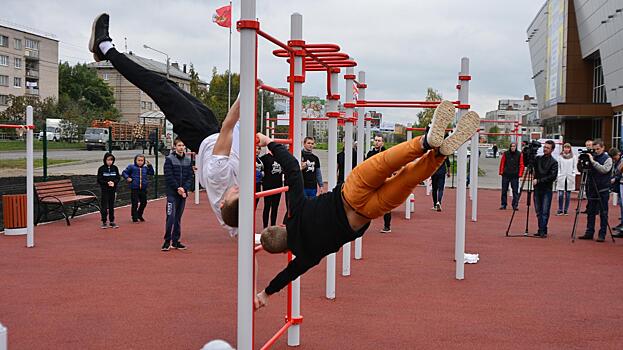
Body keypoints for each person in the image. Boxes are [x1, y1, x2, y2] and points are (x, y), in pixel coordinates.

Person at [254, 101, 480, 308]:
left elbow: (288, 274)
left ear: (285, 250)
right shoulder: (294, 214)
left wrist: (266, 293)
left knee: (407, 179)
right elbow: (293, 170)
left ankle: (439, 153)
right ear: (282, 227)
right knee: (386, 162)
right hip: (350, 193)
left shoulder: (306, 256)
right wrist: (270, 143)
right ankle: (425, 142)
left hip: (366, 212)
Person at [89, 13, 240, 236]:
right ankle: (103, 51)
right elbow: (239, 232)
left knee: (156, 86)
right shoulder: (234, 217)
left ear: (222, 203)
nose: (237, 190)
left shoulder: (219, 178)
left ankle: (104, 47)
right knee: (165, 84)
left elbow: (229, 125)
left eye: (234, 194)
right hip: (209, 127)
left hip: (199, 131)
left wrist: (246, 92)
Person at [162, 137, 193, 251]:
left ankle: (175, 241)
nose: (181, 147)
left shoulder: (188, 160)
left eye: (183, 145)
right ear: (175, 147)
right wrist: (177, 188)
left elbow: (190, 176)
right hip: (172, 194)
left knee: (178, 218)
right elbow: (168, 176)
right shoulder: (169, 159)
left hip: (182, 194)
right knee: (170, 217)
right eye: (179, 145)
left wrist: (184, 189)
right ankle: (166, 241)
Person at [578, 139, 612, 242]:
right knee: (591, 211)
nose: (596, 151)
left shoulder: (608, 159)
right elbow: (582, 170)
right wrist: (581, 162)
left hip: (603, 189)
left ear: (603, 148)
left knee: (603, 212)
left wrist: (593, 161)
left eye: (598, 149)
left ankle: (602, 234)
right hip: (591, 187)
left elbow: (604, 170)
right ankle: (589, 232)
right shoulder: (591, 156)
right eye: (594, 149)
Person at [366, 134, 393, 233]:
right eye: (376, 140)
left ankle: (387, 226)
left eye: (379, 140)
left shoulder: (386, 153)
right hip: (373, 181)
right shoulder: (370, 153)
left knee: (386, 204)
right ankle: (364, 224)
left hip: (384, 180)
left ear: (383, 142)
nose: (377, 142)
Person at [532, 140, 558, 238]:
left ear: (552, 150)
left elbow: (552, 177)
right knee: (538, 211)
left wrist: (539, 180)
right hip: (537, 188)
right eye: (544, 147)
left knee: (545, 211)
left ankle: (542, 229)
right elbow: (529, 163)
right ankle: (541, 228)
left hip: (546, 189)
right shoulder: (538, 159)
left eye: (547, 148)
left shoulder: (554, 162)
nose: (545, 149)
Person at [122, 154, 155, 223]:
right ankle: (134, 217)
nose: (140, 162)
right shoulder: (131, 167)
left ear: (144, 161)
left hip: (143, 188)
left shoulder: (145, 168)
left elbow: (151, 173)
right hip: (134, 188)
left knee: (144, 202)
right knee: (135, 203)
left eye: (142, 161)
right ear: (135, 160)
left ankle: (139, 214)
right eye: (138, 160)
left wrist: (150, 166)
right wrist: (127, 178)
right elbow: (124, 172)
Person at [260, 148, 283, 228]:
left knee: (275, 208)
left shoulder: (281, 158)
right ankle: (265, 227)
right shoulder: (264, 158)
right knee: (267, 207)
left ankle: (273, 226)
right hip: (268, 186)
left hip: (278, 186)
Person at [97, 152, 121, 229]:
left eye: (111, 160)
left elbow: (118, 178)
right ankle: (104, 221)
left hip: (112, 190)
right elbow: (99, 180)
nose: (110, 161)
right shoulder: (101, 169)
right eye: (108, 160)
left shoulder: (115, 168)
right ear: (105, 160)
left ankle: (112, 221)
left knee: (111, 206)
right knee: (104, 206)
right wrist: (107, 183)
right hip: (105, 190)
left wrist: (114, 183)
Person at [498, 143, 524, 210]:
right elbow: (502, 163)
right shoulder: (506, 153)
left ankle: (515, 205)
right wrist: (501, 171)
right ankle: (503, 204)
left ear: (516, 147)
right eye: (512, 146)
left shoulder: (519, 154)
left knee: (515, 191)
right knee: (504, 190)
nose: (513, 148)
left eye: (514, 146)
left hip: (515, 176)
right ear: (510, 147)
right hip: (506, 175)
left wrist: (520, 174)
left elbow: (521, 164)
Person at [556, 143, 577, 215]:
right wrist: (559, 174)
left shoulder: (573, 157)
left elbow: (574, 166)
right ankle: (560, 209)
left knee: (568, 195)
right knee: (560, 194)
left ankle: (566, 209)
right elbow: (558, 166)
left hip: (570, 177)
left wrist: (573, 174)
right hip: (561, 176)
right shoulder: (560, 156)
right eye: (565, 147)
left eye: (568, 148)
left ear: (570, 149)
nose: (566, 149)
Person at [609, 148, 623, 232]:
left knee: (622, 204)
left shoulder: (621, 160)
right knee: (621, 205)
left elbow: (619, 171)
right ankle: (622, 222)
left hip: (620, 181)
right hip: (619, 183)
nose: (615, 159)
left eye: (615, 157)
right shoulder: (617, 161)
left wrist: (615, 178)